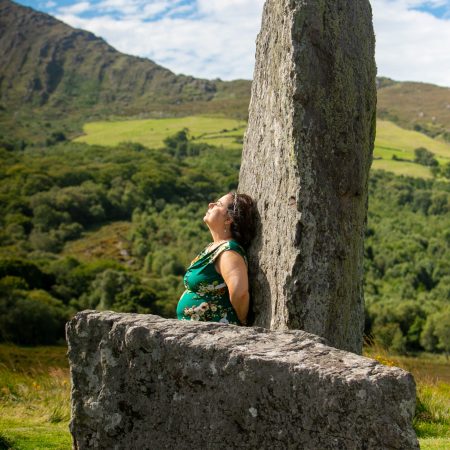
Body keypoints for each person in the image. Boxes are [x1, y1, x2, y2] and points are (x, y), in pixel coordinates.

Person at [176, 192, 255, 325]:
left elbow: (239, 293)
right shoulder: (215, 247)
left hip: (216, 335)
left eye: (218, 204)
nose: (210, 205)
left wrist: (242, 321)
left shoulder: (228, 251)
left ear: (229, 219)